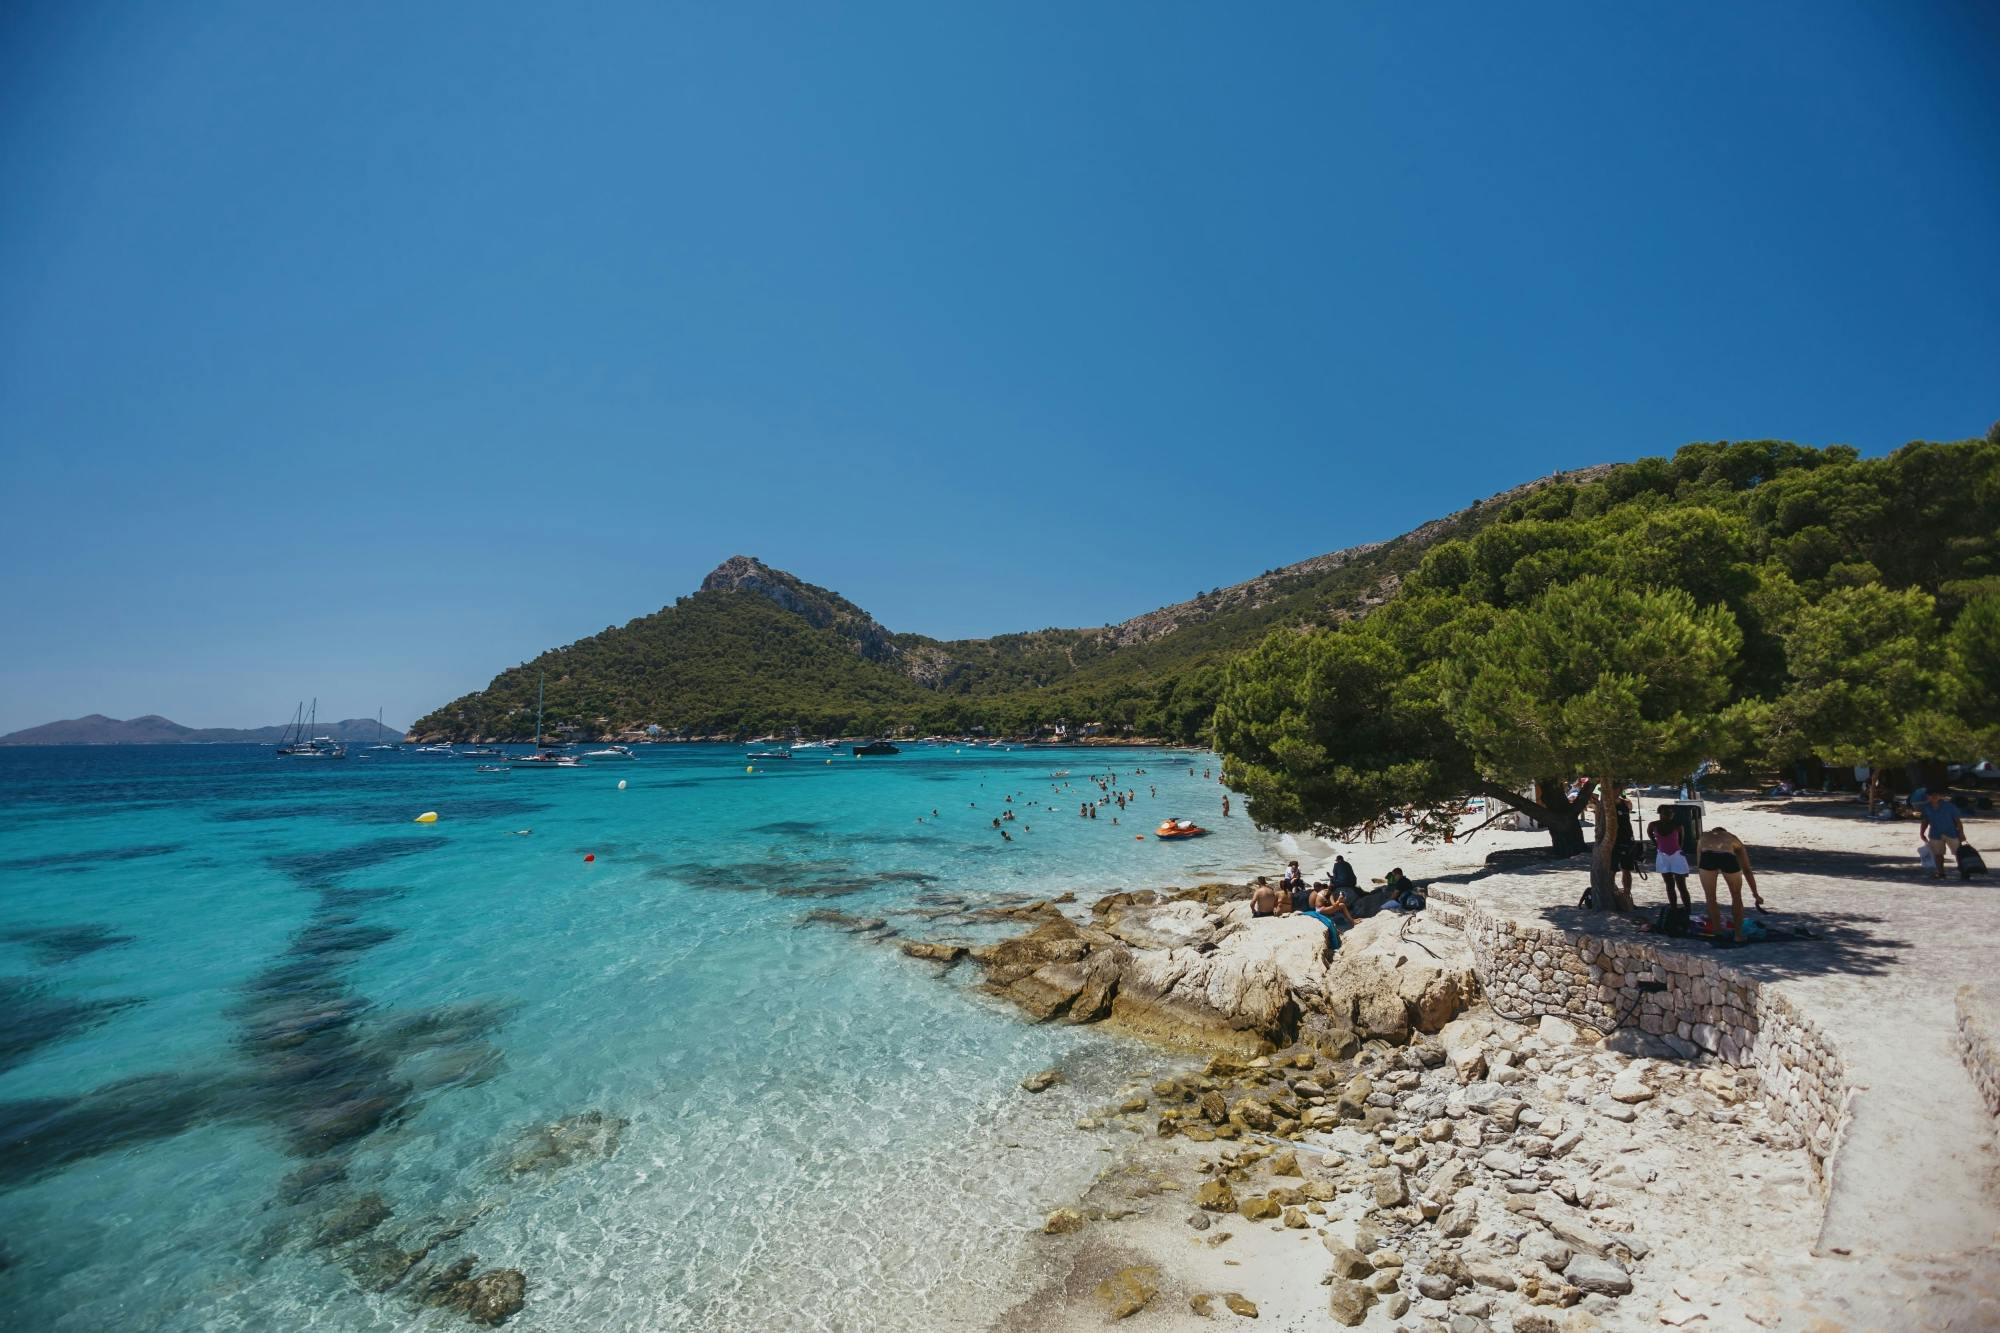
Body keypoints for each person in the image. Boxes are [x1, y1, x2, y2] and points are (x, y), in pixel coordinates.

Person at [1695, 826, 1763, 940]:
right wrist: (1755, 894)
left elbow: (1699, 864)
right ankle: (1738, 935)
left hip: (1707, 857)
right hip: (1727, 857)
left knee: (1710, 897)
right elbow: (1746, 869)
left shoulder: (1703, 837)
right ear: (1725, 832)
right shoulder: (1732, 838)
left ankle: (1717, 931)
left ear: (1714, 831)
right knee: (1736, 896)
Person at [1648, 809, 1691, 908]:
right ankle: (1673, 908)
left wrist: (1678, 851)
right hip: (1662, 856)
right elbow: (1650, 834)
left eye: (1670, 814)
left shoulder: (1678, 826)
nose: (1668, 816)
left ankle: (1688, 909)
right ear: (1660, 814)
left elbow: (1681, 842)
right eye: (1666, 813)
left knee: (1681, 885)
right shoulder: (1653, 825)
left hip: (1676, 855)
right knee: (1669, 884)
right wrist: (1656, 844)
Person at [1920, 790, 1967, 880]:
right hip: (1935, 834)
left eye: (1936, 794)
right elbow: (1925, 821)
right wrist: (1922, 833)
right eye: (1931, 795)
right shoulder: (1926, 808)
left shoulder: (1950, 806)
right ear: (1927, 796)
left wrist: (1961, 833)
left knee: (1958, 853)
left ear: (1940, 795)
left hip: (1952, 833)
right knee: (1938, 854)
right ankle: (1941, 873)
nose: (1934, 796)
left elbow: (1958, 821)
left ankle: (1964, 872)